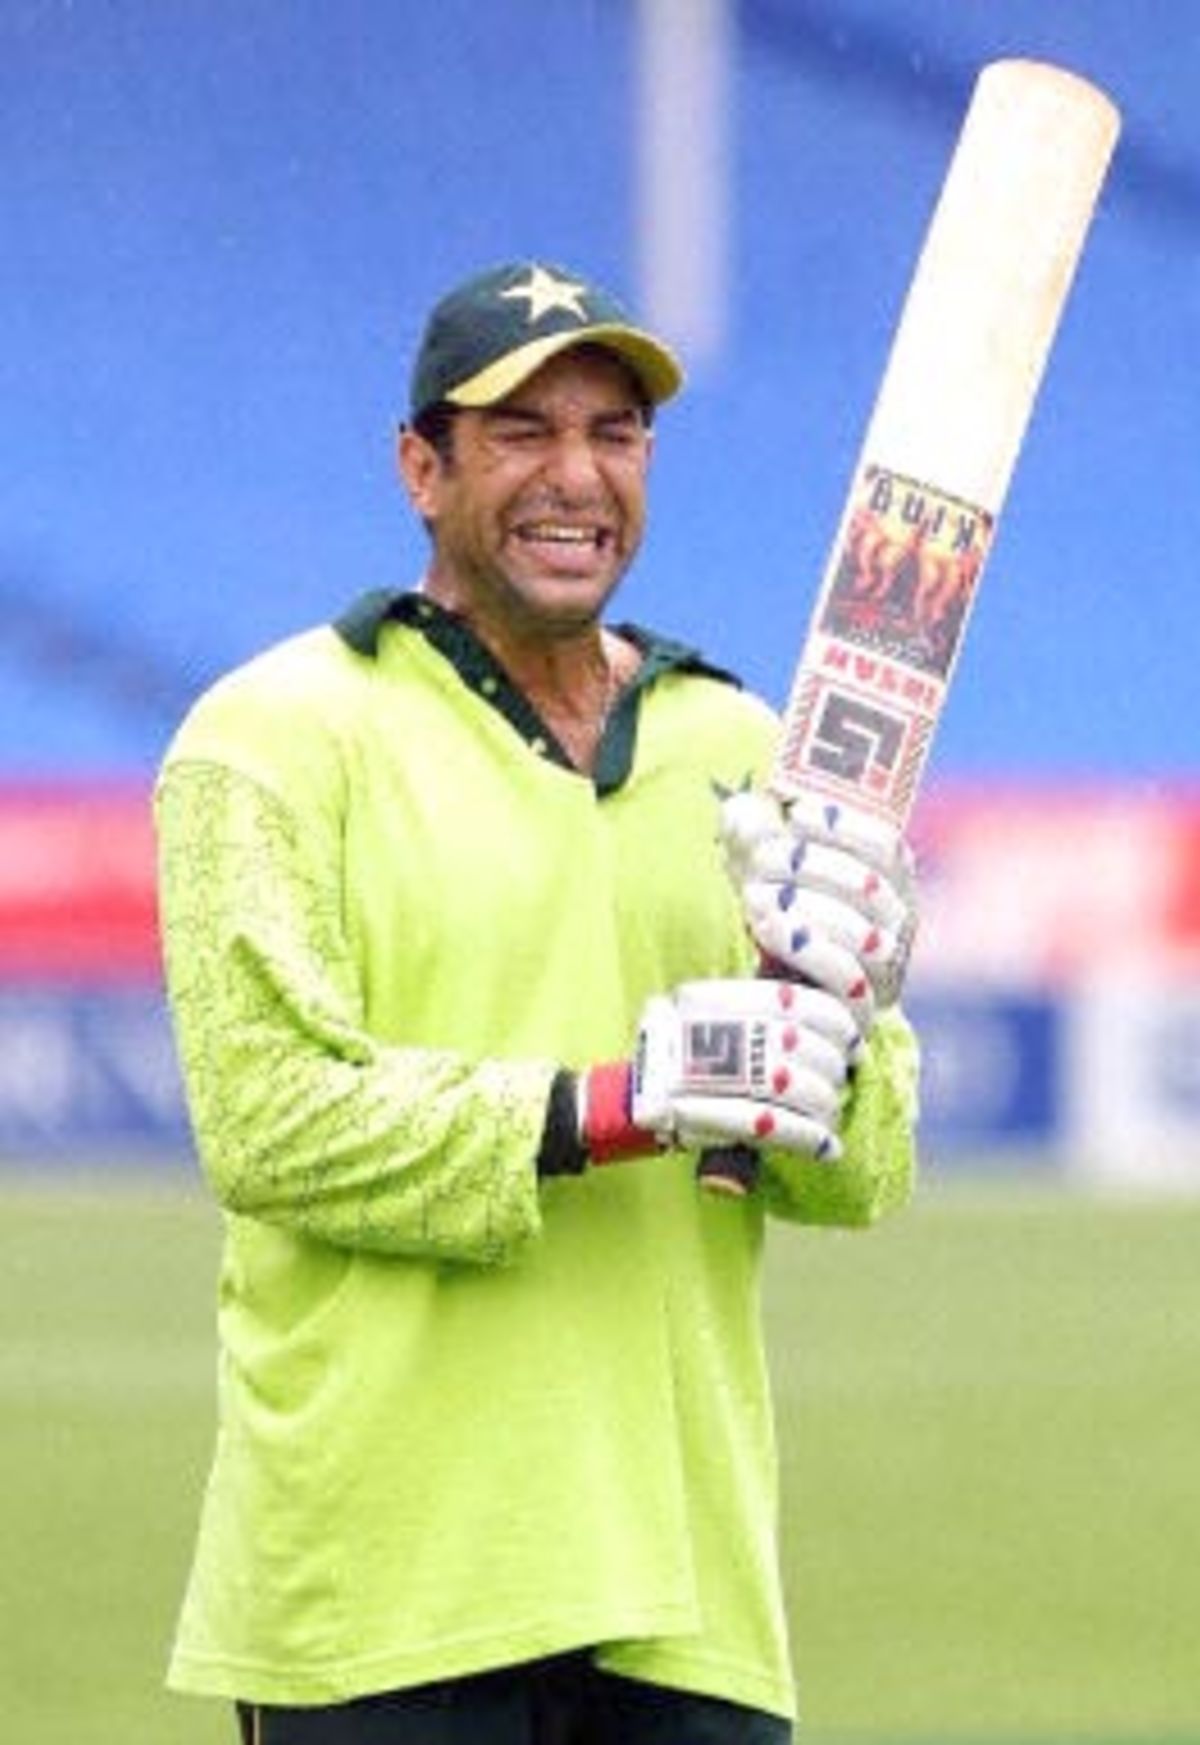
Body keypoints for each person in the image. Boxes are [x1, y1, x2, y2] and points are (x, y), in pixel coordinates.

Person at [155, 259, 921, 1745]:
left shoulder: (743, 744)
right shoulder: (276, 733)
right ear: (420, 468)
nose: (577, 477)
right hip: (383, 1600)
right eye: (522, 432)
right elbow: (267, 1122)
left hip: (691, 1609)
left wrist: (855, 1016)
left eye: (616, 432)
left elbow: (863, 1176)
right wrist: (621, 1102)